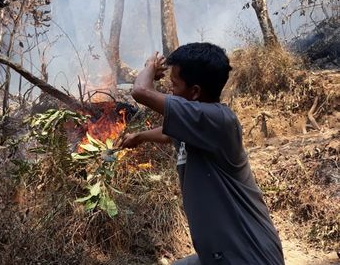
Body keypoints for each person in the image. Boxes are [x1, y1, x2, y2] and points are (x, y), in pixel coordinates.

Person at [118, 43, 284, 264]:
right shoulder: (199, 125)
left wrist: (150, 66)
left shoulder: (219, 119)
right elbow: (169, 134)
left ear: (195, 92)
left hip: (249, 255)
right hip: (217, 255)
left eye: (174, 85)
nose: (170, 91)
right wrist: (139, 136)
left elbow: (141, 92)